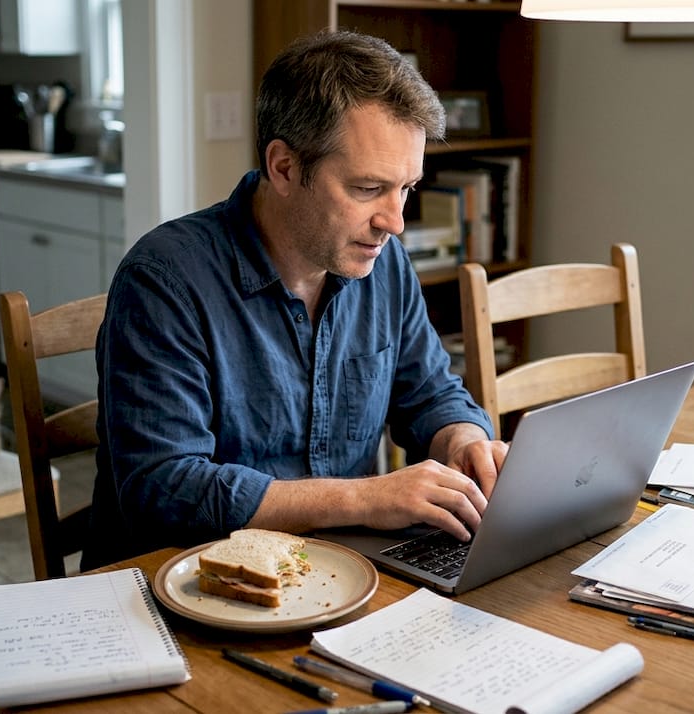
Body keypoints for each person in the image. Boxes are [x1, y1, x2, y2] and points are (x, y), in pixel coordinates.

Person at [82, 30, 509, 570]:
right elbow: (165, 491)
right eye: (367, 188)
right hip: (183, 588)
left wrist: (463, 437)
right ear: (284, 167)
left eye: (407, 188)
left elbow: (428, 392)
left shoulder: (384, 263)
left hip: (334, 574)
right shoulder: (164, 280)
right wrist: (366, 498)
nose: (394, 222)